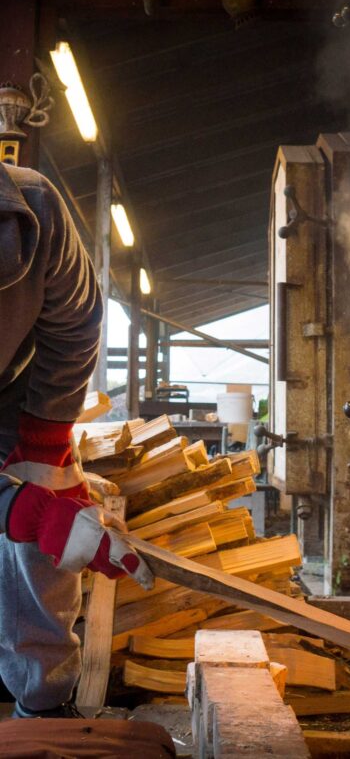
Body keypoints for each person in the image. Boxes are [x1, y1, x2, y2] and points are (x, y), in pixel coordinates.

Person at [0, 160, 153, 718]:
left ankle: (42, 701)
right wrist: (22, 509)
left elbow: (75, 325)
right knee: (30, 515)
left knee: (53, 510)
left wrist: (44, 444)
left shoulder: (35, 208)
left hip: (19, 391)